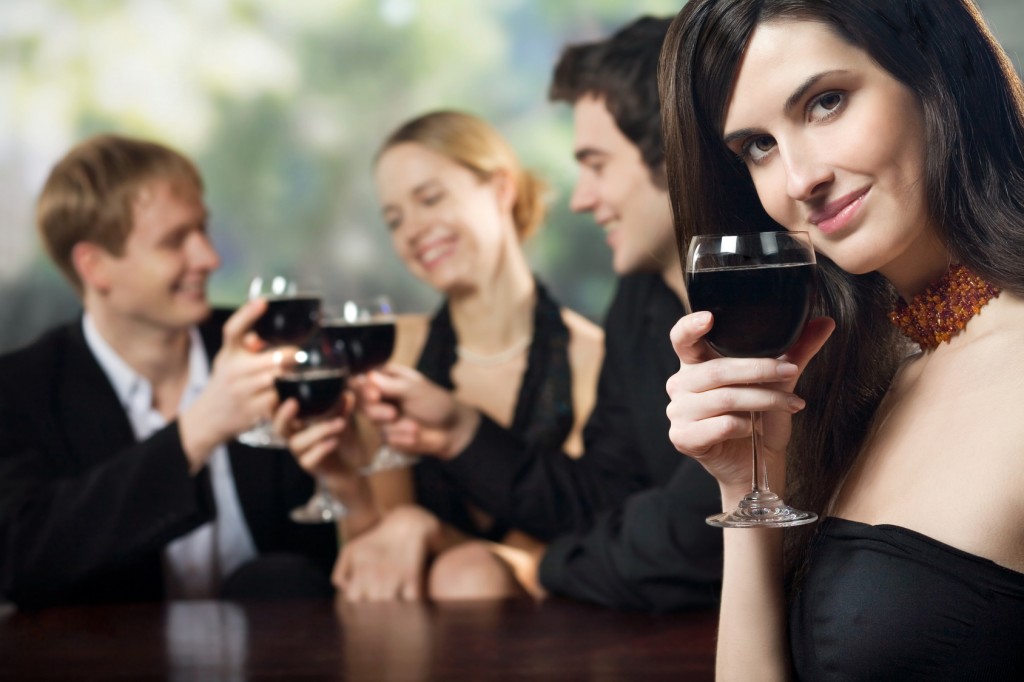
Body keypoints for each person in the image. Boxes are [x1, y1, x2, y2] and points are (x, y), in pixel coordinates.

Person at [660, 0, 1024, 678]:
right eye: (757, 147)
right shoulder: (873, 371)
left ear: (934, 73)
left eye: (826, 102)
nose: (800, 180)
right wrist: (745, 485)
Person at [341, 16, 724, 612]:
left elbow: (701, 531)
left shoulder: (768, 295)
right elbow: (602, 500)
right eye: (393, 218)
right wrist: (460, 433)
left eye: (596, 164)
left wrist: (540, 570)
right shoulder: (636, 306)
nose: (581, 197)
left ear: (671, 149)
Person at [276, 110, 604, 600]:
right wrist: (341, 475)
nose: (412, 230)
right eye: (394, 219)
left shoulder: (591, 360)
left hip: (556, 628)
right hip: (415, 627)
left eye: (430, 199)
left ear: (500, 190)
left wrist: (425, 528)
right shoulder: (395, 353)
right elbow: (377, 560)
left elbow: (568, 555)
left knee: (468, 576)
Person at [0, 134, 337, 610]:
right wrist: (199, 429)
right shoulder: (19, 390)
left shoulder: (263, 349)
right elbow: (20, 557)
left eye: (203, 229)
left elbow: (322, 547)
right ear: (95, 267)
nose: (209, 258)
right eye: (175, 241)